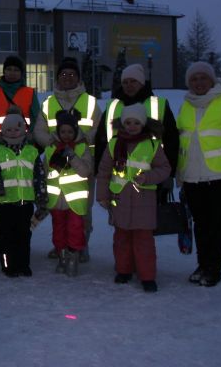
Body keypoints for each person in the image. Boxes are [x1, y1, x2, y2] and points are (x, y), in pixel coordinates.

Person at [176, 62, 221, 287]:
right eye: (194, 79)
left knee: (217, 223)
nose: (199, 83)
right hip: (192, 177)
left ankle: (214, 267)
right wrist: (181, 175)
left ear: (212, 80)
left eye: (203, 78)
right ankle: (202, 264)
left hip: (219, 177)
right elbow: (182, 143)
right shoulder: (186, 105)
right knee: (200, 223)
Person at [96, 104, 171, 293]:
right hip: (119, 198)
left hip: (143, 201)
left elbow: (164, 169)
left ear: (143, 124)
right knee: (121, 239)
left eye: (136, 122)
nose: (131, 126)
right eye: (128, 122)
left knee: (143, 241)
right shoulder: (114, 144)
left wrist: (148, 177)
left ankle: (147, 276)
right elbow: (104, 171)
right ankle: (124, 270)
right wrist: (102, 195)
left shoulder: (152, 145)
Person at [33, 56, 101, 262]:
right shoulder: (48, 103)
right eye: (64, 74)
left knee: (82, 207)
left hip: (82, 161)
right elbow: (39, 130)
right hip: (56, 164)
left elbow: (98, 129)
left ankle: (81, 245)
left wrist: (80, 138)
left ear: (78, 78)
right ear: (58, 78)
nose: (67, 78)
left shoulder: (90, 102)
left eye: (72, 74)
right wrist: (53, 141)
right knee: (57, 207)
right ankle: (61, 245)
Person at [94, 63, 179, 206]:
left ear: (141, 82)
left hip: (152, 177)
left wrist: (169, 174)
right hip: (119, 177)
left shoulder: (158, 105)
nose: (129, 85)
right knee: (121, 222)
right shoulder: (113, 106)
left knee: (148, 223)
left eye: (133, 81)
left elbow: (171, 140)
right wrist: (100, 170)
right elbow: (101, 139)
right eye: (125, 82)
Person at [0, 108, 49, 277]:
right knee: (6, 237)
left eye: (17, 129)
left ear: (24, 130)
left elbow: (39, 175)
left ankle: (23, 264)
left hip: (25, 203)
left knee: (24, 236)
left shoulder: (32, 152)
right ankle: (8, 265)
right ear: (2, 131)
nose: (13, 133)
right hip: (5, 204)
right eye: (8, 130)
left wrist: (41, 195)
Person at [38, 110, 93, 276]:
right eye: (63, 131)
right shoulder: (50, 149)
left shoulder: (82, 148)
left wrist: (73, 157)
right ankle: (62, 255)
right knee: (58, 230)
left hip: (75, 200)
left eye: (70, 131)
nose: (66, 135)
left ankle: (73, 257)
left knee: (75, 229)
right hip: (56, 199)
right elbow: (45, 171)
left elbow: (86, 171)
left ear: (76, 131)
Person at [0, 55, 40, 140]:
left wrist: (30, 136)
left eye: (16, 70)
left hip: (24, 143)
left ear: (21, 73)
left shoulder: (30, 93)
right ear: (4, 71)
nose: (12, 73)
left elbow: (36, 118)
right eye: (9, 69)